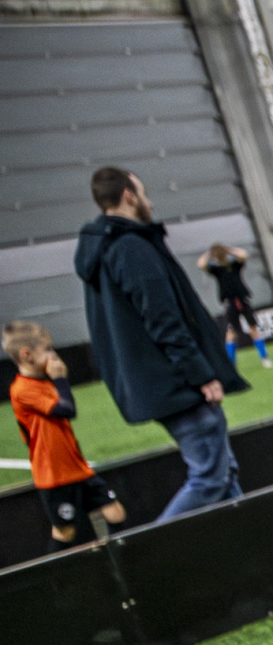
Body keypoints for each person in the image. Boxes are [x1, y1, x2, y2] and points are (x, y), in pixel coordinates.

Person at [74, 166, 248, 521]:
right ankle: (152, 549)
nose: (150, 202)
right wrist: (201, 375)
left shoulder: (108, 248)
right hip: (175, 382)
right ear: (129, 196)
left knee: (223, 472)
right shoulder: (130, 247)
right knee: (210, 479)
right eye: (144, 192)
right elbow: (163, 319)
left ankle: (253, 540)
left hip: (160, 382)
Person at [6, 318, 126, 550]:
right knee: (65, 531)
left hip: (77, 468)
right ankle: (55, 570)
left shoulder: (44, 383)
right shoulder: (22, 389)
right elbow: (66, 410)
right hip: (54, 475)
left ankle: (120, 560)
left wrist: (57, 381)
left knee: (115, 512)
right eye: (47, 350)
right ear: (26, 354)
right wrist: (60, 379)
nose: (53, 356)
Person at [194, 244, 273, 369]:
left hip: (243, 299)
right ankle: (231, 363)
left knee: (253, 329)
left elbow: (244, 254)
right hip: (229, 302)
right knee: (231, 333)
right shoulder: (216, 270)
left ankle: (264, 358)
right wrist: (209, 252)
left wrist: (229, 249)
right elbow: (201, 264)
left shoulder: (234, 265)